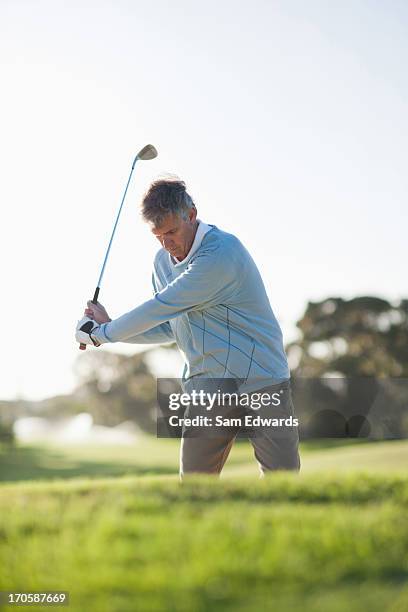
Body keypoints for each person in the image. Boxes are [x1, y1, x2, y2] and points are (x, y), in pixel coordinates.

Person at [76, 178, 300, 476]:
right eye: (158, 236)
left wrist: (102, 333)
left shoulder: (221, 253)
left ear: (191, 215)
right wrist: (108, 329)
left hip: (262, 377)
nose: (167, 243)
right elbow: (171, 325)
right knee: (195, 484)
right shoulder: (162, 262)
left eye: (172, 231)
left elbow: (163, 305)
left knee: (282, 479)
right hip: (208, 385)